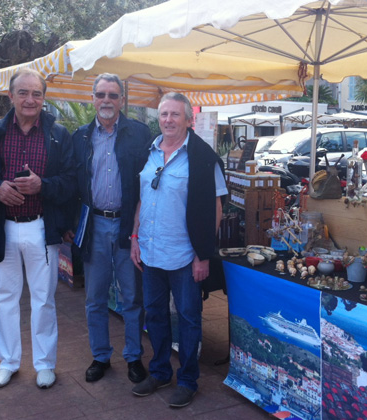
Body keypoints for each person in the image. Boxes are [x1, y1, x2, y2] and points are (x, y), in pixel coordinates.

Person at [0, 68, 75, 390]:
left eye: (37, 94)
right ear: (10, 96)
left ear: (44, 98)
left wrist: (43, 185)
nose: (30, 99)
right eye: (23, 93)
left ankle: (44, 364)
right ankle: (9, 362)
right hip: (4, 228)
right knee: (5, 297)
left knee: (44, 299)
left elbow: (71, 182)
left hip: (42, 229)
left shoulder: (58, 134)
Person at [130, 92, 227, 408]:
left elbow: (215, 209)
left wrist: (203, 254)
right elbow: (143, 199)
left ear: (189, 119)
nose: (168, 120)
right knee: (155, 315)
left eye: (175, 114)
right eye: (164, 114)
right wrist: (134, 237)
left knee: (188, 318)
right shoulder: (150, 152)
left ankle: (187, 380)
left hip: (186, 256)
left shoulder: (203, 157)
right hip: (151, 251)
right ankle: (159, 372)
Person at [67, 73, 151, 384]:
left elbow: (149, 185)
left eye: (113, 95)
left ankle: (133, 357)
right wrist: (69, 224)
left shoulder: (141, 135)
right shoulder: (80, 137)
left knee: (131, 298)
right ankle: (100, 356)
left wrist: (142, 227)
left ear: (122, 101)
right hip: (95, 225)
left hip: (129, 226)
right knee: (95, 298)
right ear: (92, 99)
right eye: (101, 94)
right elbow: (71, 185)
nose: (106, 101)